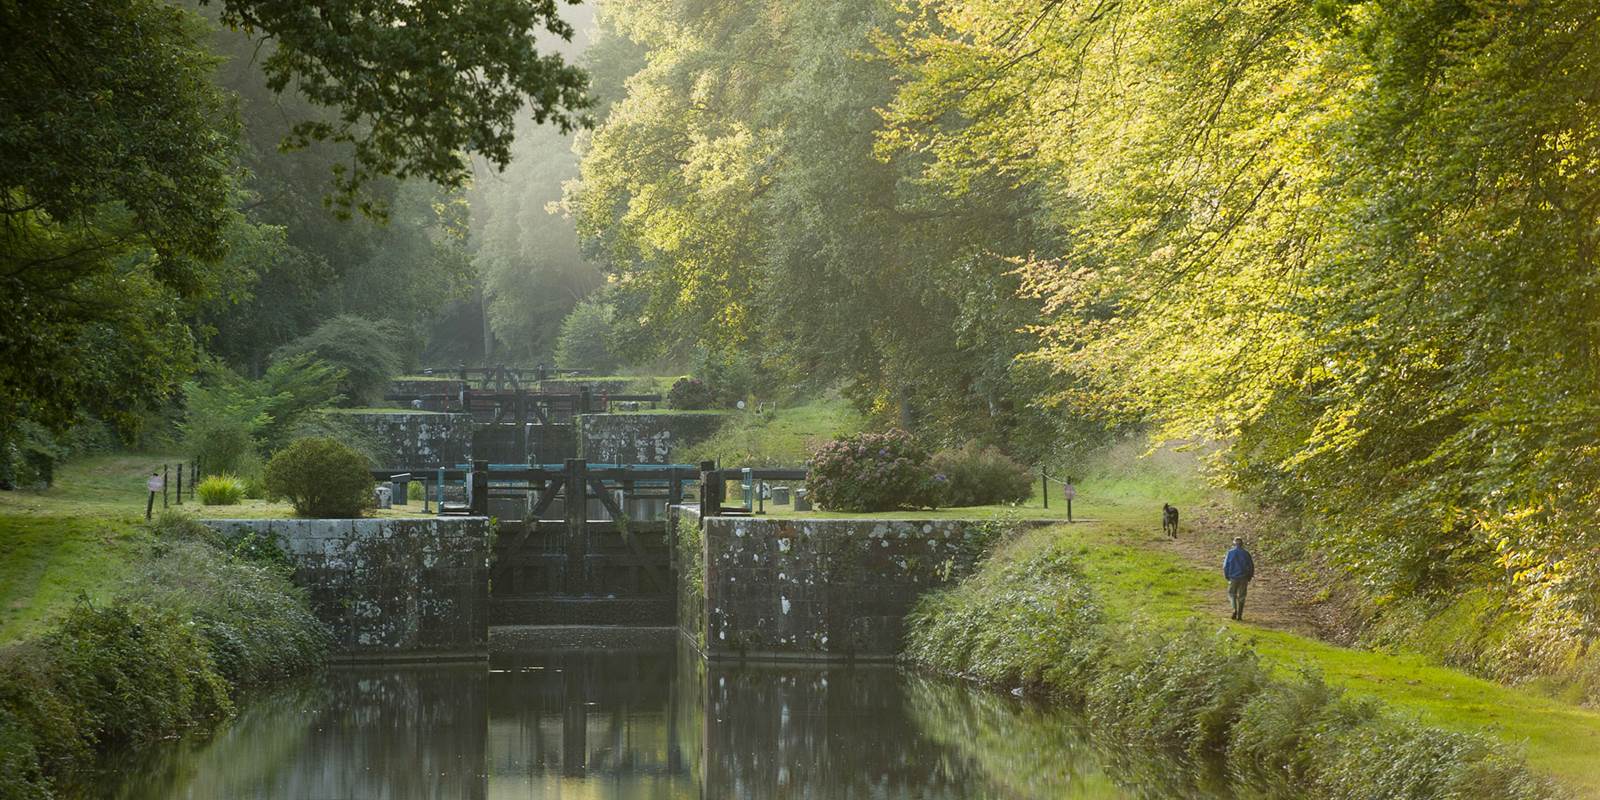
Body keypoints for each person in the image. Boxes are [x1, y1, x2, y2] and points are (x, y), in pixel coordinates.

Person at [1223, 536, 1255, 621]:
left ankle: (1234, 609)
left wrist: (1227, 576)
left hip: (1233, 577)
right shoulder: (1246, 553)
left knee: (1231, 594)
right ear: (1242, 544)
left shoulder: (1230, 553)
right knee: (1242, 596)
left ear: (1234, 543)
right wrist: (1249, 577)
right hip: (1244, 577)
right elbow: (1251, 566)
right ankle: (1240, 615)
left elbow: (1225, 566)